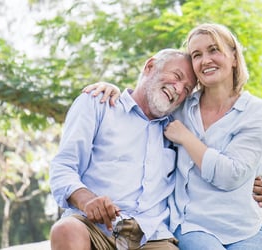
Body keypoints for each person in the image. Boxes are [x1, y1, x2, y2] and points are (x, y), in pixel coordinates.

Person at [84, 23, 262, 250]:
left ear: (234, 56)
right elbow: (143, 105)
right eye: (197, 55)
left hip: (245, 227)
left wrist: (186, 138)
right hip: (192, 224)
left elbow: (231, 175)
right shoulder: (179, 108)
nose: (205, 60)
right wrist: (111, 88)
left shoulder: (255, 111)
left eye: (214, 50)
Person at [49, 48, 197, 250]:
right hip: (95, 228)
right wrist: (88, 201)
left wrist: (250, 182)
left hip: (151, 236)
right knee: (65, 230)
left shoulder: (180, 129)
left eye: (187, 89)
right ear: (149, 66)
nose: (179, 89)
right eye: (176, 76)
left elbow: (213, 159)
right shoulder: (99, 103)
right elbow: (63, 166)